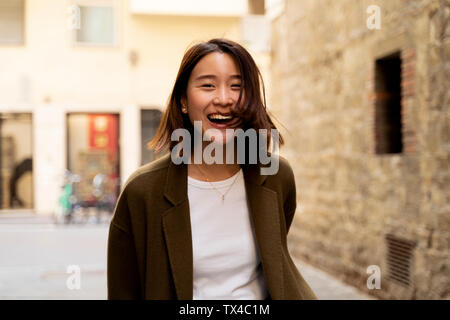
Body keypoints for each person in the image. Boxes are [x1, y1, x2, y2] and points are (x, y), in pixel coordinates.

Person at [107, 38, 317, 300]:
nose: (223, 98)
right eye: (208, 85)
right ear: (183, 101)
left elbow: (276, 257)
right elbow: (123, 290)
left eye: (237, 86)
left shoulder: (275, 175)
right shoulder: (142, 191)